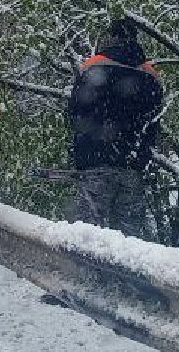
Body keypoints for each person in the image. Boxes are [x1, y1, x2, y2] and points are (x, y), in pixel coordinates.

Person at [67, 16, 163, 238]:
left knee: (87, 236)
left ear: (110, 37)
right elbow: (154, 121)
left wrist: (82, 151)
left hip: (95, 161)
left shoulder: (92, 67)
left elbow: (74, 112)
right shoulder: (150, 75)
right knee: (129, 241)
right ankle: (121, 274)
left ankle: (87, 273)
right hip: (133, 165)